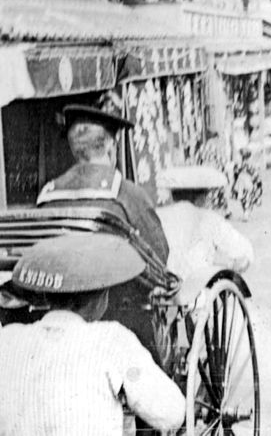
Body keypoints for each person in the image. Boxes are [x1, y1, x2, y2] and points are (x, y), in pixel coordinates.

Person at [0, 234, 185, 435]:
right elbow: (171, 413)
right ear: (101, 298)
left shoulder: (5, 341)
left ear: (45, 295)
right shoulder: (112, 340)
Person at [36, 93, 169, 364]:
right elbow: (159, 254)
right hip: (120, 313)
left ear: (74, 149)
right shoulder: (126, 193)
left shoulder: (48, 194)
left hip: (56, 306)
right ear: (111, 146)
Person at [156, 165, 254, 278]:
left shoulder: (160, 215)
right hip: (195, 281)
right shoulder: (208, 218)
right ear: (202, 197)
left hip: (163, 278)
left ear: (172, 195)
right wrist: (232, 264)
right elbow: (243, 249)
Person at [195, 131, 233, 219]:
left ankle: (207, 209)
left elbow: (197, 160)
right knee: (219, 190)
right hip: (215, 171)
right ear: (214, 138)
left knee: (206, 191)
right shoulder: (216, 147)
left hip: (204, 171)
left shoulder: (202, 147)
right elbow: (223, 161)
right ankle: (223, 210)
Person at [232, 145, 263, 221]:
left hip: (240, 183)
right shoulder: (251, 164)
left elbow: (235, 173)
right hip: (249, 183)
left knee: (243, 199)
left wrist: (235, 181)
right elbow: (256, 174)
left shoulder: (239, 165)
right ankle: (247, 213)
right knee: (249, 198)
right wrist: (258, 183)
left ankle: (245, 213)